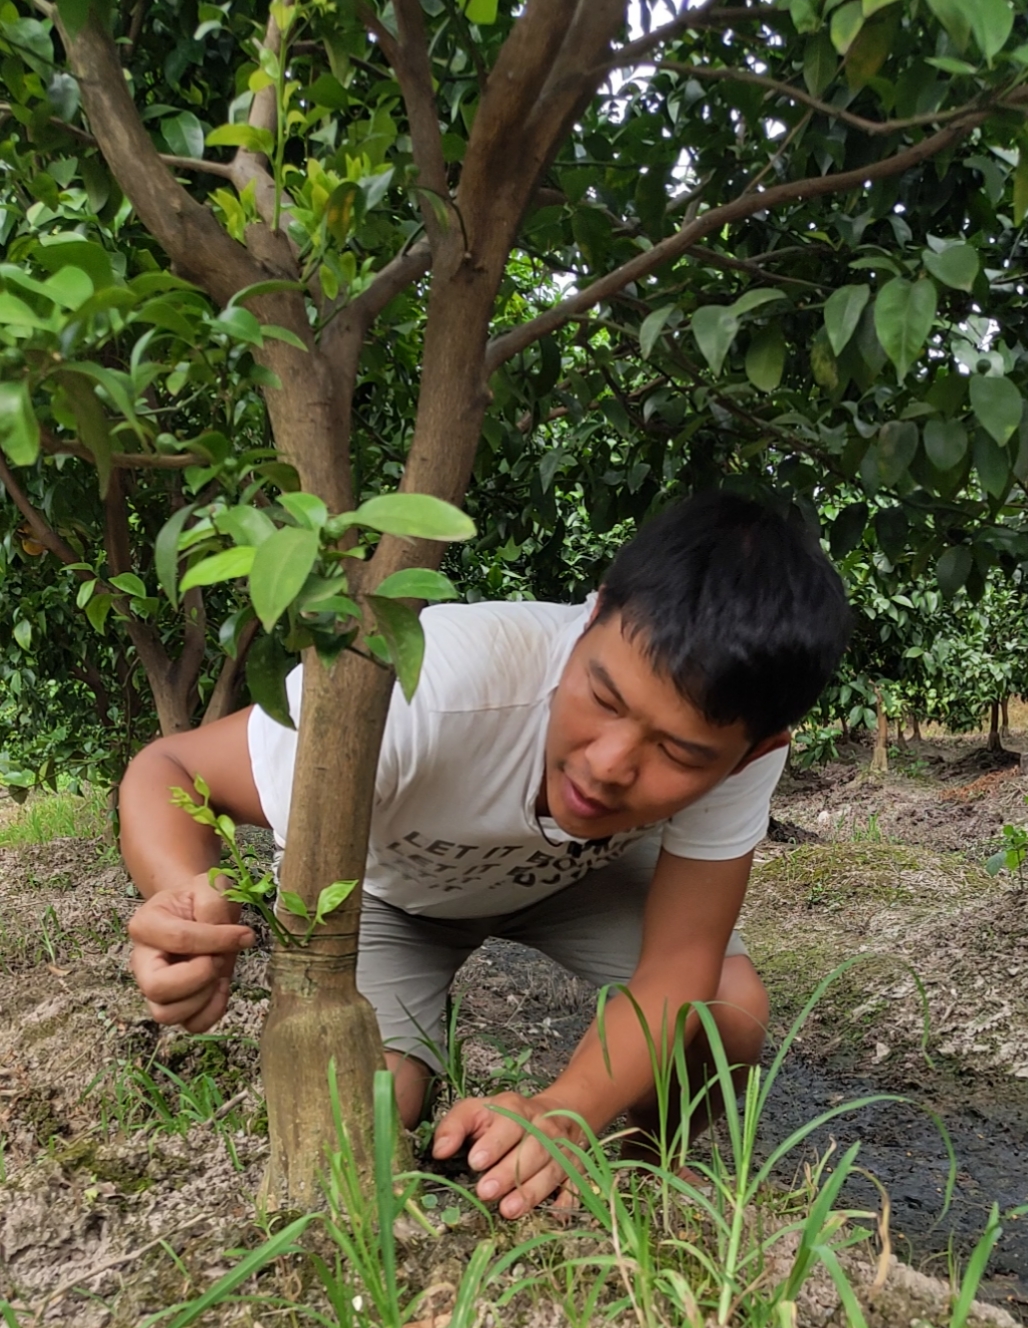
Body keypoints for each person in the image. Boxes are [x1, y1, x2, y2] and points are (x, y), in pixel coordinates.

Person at [120, 489, 850, 1220]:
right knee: (370, 1111)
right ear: (590, 618)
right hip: (386, 893)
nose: (608, 765)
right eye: (603, 698)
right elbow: (171, 769)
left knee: (729, 1014)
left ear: (755, 750)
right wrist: (182, 893)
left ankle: (643, 1176)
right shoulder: (427, 687)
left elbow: (680, 964)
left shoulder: (743, 753)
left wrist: (567, 1110)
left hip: (577, 882)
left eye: (679, 753)